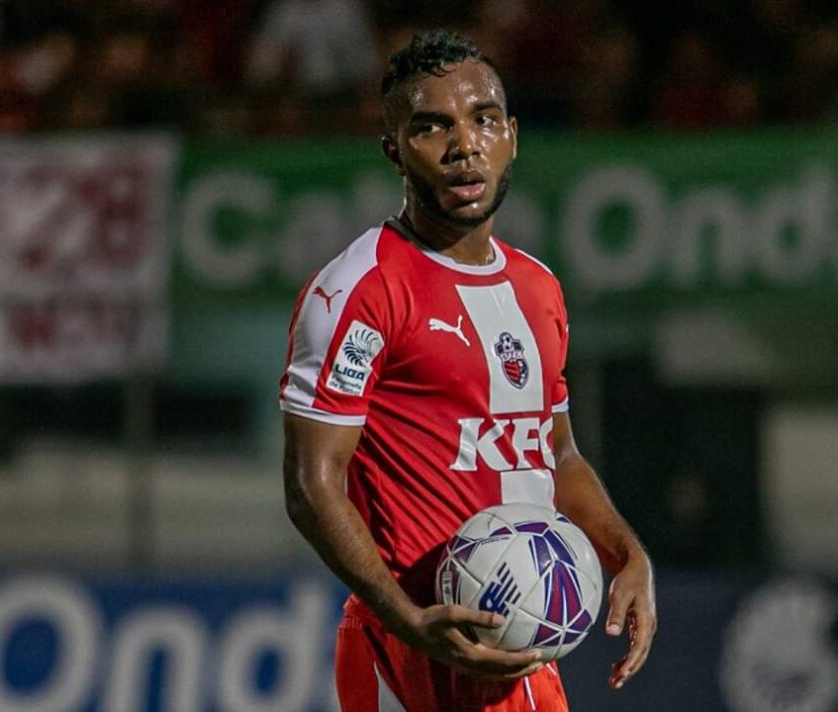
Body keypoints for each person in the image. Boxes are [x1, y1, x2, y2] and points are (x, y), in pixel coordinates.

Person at [279, 30, 657, 712]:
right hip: (414, 651)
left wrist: (627, 555)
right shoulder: (359, 291)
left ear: (511, 136)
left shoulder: (539, 288)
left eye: (483, 119)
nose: (464, 145)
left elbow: (557, 453)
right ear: (394, 150)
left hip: (521, 659)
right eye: (432, 127)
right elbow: (313, 483)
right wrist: (407, 621)